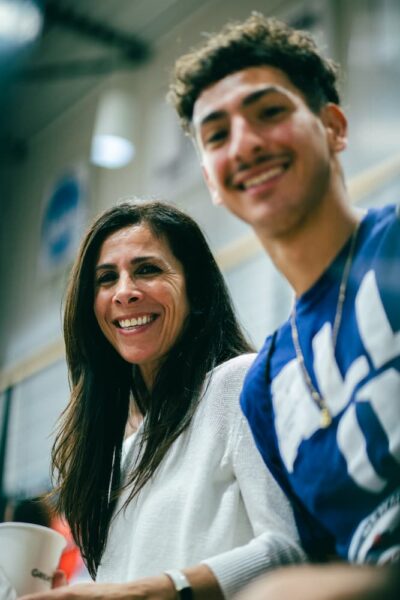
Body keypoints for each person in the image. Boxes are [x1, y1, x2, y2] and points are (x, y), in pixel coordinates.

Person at [168, 11, 399, 598]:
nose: (244, 144)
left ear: (333, 127)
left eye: (269, 112)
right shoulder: (265, 389)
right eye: (217, 135)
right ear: (213, 182)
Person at [21, 201, 304, 600]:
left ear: (197, 288)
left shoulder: (238, 383)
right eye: (106, 278)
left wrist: (145, 591)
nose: (124, 292)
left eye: (147, 270)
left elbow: (290, 551)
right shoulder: (120, 453)